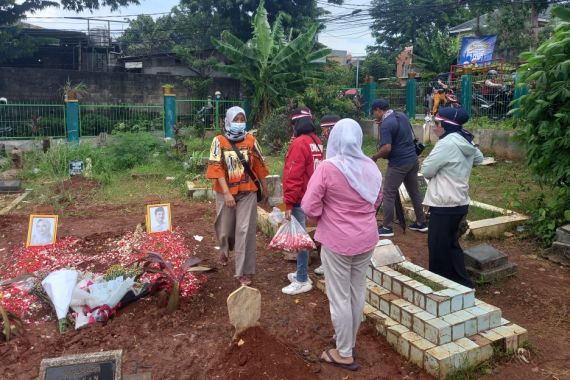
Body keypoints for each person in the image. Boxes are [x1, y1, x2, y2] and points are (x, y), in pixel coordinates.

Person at [301, 118, 382, 371]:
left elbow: (309, 207)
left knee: (339, 297)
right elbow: (376, 200)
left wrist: (328, 214)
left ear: (333, 139)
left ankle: (344, 352)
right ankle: (348, 339)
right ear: (359, 139)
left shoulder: (327, 168)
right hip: (367, 238)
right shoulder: (371, 167)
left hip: (337, 240)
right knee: (357, 291)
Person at [421, 107, 484, 288]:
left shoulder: (446, 143)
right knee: (451, 245)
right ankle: (462, 283)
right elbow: (478, 158)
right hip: (459, 202)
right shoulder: (463, 140)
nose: (434, 127)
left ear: (446, 125)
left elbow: (427, 170)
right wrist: (467, 139)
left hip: (443, 204)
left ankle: (440, 286)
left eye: (437, 123)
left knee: (438, 249)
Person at [206, 106, 269, 286]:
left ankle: (243, 271)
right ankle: (225, 249)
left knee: (244, 231)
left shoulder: (251, 141)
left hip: (247, 191)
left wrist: (264, 189)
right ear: (228, 120)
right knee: (225, 230)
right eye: (236, 120)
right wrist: (226, 193)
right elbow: (215, 167)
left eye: (242, 120)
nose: (239, 123)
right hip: (225, 191)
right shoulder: (218, 141)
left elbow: (259, 166)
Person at [281, 107, 324, 295]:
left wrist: (288, 203)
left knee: (301, 238)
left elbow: (293, 174)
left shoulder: (299, 143)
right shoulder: (316, 141)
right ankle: (301, 271)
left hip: (299, 197)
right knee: (303, 237)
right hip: (312, 195)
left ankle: (302, 278)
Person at [370, 99, 427, 237]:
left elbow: (386, 148)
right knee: (414, 192)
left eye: (373, 112)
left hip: (399, 164)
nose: (373, 116)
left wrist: (375, 157)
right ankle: (421, 223)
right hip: (413, 160)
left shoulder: (386, 124)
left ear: (378, 110)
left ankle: (387, 227)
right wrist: (380, 125)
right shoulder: (401, 115)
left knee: (388, 192)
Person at [313, 114, 340, 276]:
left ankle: (328, 264)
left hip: (333, 194)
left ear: (331, 129)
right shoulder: (335, 143)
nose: (323, 133)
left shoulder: (336, 145)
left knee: (328, 229)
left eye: (324, 129)